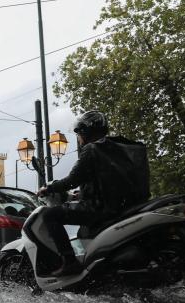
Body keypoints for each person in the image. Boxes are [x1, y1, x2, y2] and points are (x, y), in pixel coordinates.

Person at [37, 110, 150, 277]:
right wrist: (79, 195)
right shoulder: (117, 148)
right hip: (126, 206)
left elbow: (72, 180)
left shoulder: (92, 149)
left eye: (79, 134)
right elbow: (107, 182)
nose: (79, 138)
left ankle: (69, 262)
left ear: (86, 131)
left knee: (50, 215)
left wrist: (48, 189)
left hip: (100, 209)